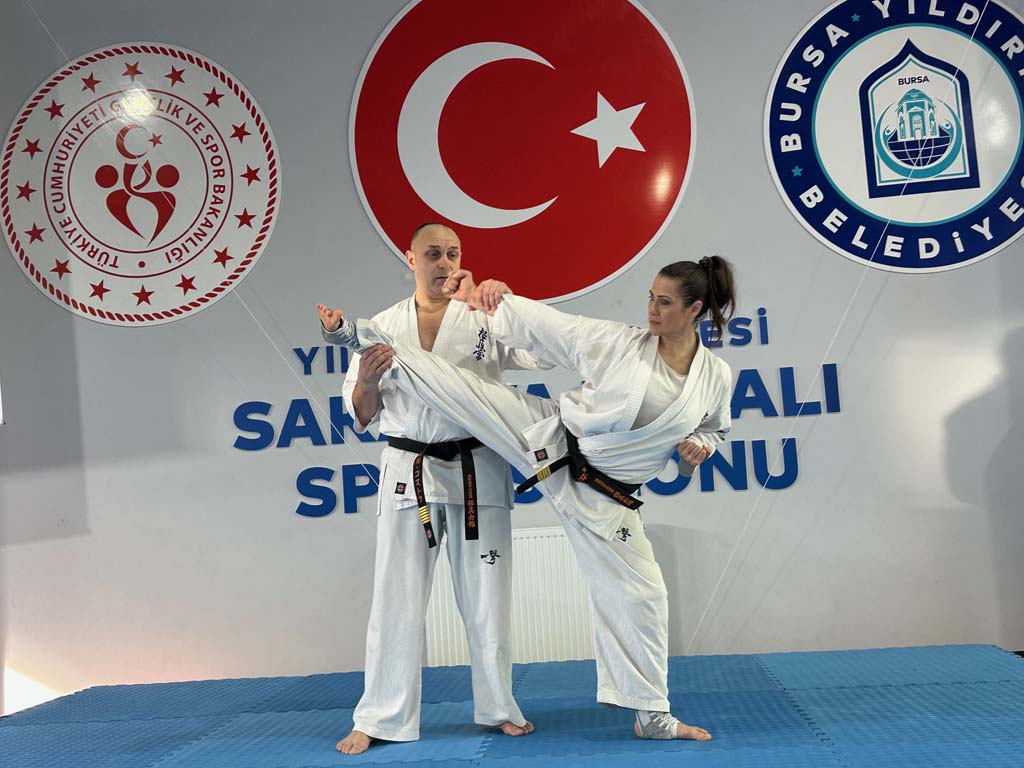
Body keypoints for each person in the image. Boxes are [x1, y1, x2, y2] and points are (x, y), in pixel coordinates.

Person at [319, 256, 736, 741]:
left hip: (608, 499)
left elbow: (713, 429)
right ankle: (356, 335)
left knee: (644, 597)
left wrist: (698, 447)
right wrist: (483, 299)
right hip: (552, 440)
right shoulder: (622, 343)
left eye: (664, 303)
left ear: (694, 309)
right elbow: (557, 329)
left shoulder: (715, 377)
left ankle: (653, 717)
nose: (652, 310)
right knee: (465, 389)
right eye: (650, 297)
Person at [319, 223, 547, 754]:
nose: (444, 262)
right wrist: (368, 381)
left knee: (488, 597)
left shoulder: (483, 315)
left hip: (476, 466)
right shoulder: (381, 326)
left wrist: (507, 305)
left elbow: (545, 354)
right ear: (410, 258)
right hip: (409, 469)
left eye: (453, 253)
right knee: (394, 598)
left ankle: (499, 707)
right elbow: (360, 413)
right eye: (433, 253)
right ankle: (381, 716)